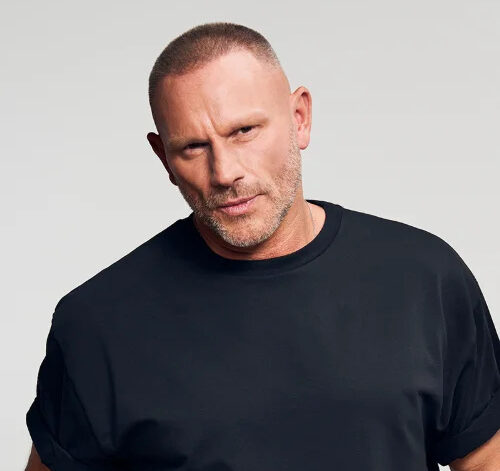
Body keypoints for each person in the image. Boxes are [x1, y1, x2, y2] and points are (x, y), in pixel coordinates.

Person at [25, 22, 499, 471]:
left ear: (299, 118)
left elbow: (485, 460)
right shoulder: (96, 324)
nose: (225, 172)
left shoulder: (424, 277)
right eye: (192, 147)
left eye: (243, 132)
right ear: (163, 158)